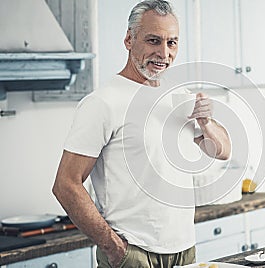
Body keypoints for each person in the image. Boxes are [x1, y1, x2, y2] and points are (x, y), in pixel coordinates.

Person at [52, 0, 231, 267]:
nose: (164, 53)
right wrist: (114, 247)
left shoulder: (179, 98)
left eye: (172, 43)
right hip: (132, 253)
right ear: (128, 39)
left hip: (185, 250)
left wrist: (206, 123)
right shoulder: (102, 103)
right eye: (153, 41)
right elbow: (66, 184)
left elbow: (223, 151)